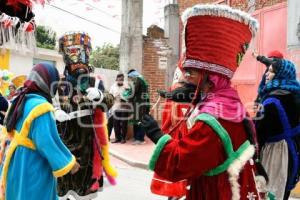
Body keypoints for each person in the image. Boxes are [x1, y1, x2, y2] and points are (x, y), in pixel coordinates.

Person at [140, 4, 267, 200]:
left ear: (210, 76)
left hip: (217, 192)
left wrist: (156, 134)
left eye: (191, 73)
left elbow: (181, 163)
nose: (187, 78)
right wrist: (192, 96)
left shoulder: (212, 120)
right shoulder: (229, 101)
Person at [0, 63, 80, 200]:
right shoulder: (41, 107)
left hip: (14, 163)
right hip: (32, 167)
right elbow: (47, 142)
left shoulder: (20, 99)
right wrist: (69, 163)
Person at [56, 32, 117, 199]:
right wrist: (54, 110)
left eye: (79, 50)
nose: (75, 55)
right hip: (63, 138)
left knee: (85, 186)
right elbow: (48, 101)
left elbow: (108, 103)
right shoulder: (59, 81)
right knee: (64, 183)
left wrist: (99, 96)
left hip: (87, 139)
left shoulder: (95, 81)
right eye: (71, 50)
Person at [255, 58, 300, 200]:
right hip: (293, 153)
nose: (267, 75)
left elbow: (259, 133)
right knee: (283, 191)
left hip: (276, 156)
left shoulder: (270, 102)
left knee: (270, 193)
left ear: (281, 75)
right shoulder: (296, 95)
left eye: (271, 72)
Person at [125, 69, 150, 145]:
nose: (131, 79)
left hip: (140, 105)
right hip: (141, 104)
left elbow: (134, 92)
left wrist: (127, 98)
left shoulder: (139, 80)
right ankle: (136, 137)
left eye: (130, 77)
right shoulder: (142, 79)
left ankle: (140, 139)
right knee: (136, 121)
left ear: (132, 75)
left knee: (140, 121)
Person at [109, 73, 128, 143]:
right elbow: (110, 97)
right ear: (116, 79)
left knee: (124, 123)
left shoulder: (126, 87)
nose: (121, 81)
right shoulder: (113, 87)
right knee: (116, 123)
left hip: (124, 107)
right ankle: (117, 138)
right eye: (120, 80)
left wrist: (124, 98)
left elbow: (129, 96)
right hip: (116, 107)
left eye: (122, 80)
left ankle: (123, 138)